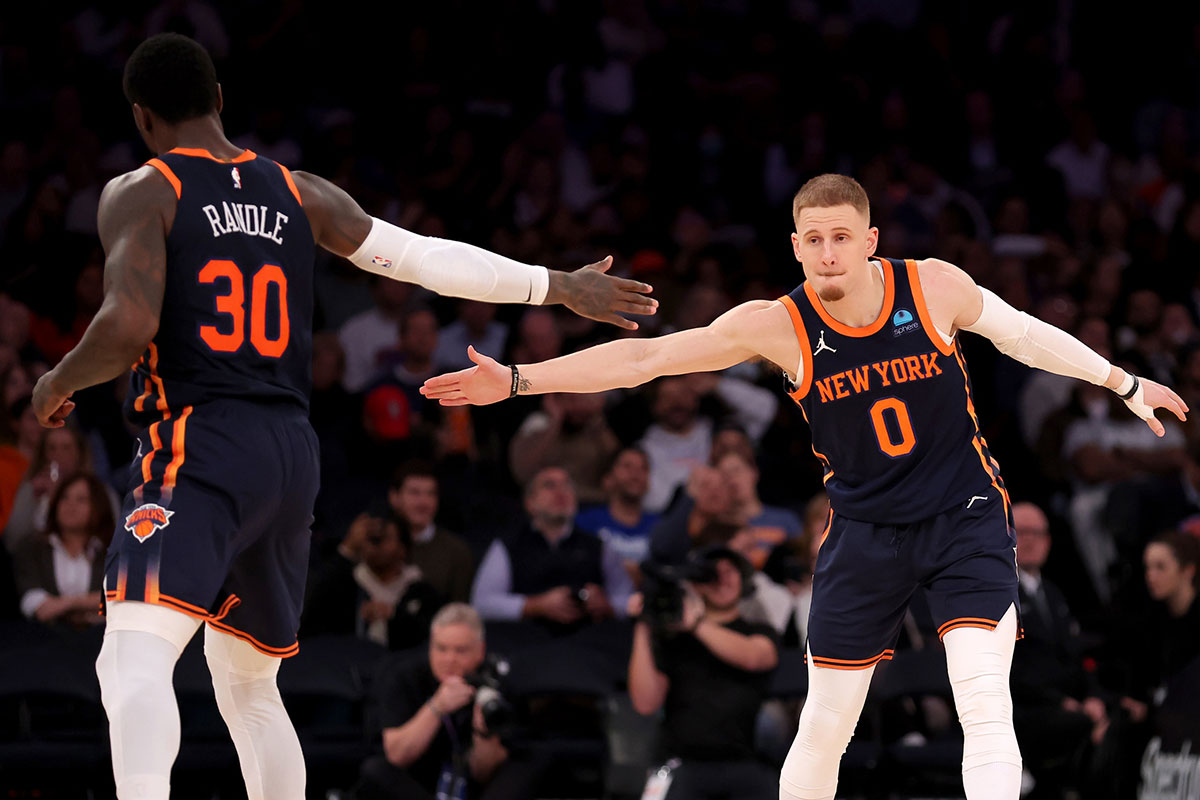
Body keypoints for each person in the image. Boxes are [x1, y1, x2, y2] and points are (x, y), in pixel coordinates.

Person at [27, 33, 656, 800]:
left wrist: (54, 382)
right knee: (249, 686)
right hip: (291, 453)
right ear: (220, 99)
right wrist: (553, 284)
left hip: (201, 438)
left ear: (142, 118)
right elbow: (427, 258)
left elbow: (126, 326)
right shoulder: (300, 191)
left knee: (130, 656)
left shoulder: (144, 188)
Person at [421, 173, 1189, 800]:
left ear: (870, 241)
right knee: (825, 723)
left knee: (984, 700)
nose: (827, 253)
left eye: (841, 238)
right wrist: (519, 379)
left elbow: (1025, 334)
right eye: (813, 240)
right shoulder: (777, 324)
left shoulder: (933, 288)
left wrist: (1123, 383)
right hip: (863, 531)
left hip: (965, 516)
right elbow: (643, 362)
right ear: (796, 245)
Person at [627, 545, 780, 799]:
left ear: (744, 580)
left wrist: (696, 623)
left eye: (730, 572)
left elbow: (754, 658)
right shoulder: (672, 638)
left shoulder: (759, 631)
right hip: (682, 763)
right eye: (711, 573)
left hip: (746, 764)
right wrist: (644, 625)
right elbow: (645, 703)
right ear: (696, 584)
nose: (721, 580)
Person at [357, 603, 541, 800]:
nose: (449, 659)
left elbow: (486, 774)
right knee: (375, 770)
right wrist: (436, 707)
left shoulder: (496, 681)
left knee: (527, 765)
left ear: (480, 650)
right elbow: (397, 756)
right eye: (441, 648)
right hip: (419, 781)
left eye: (460, 651)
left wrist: (483, 733)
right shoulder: (404, 676)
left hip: (475, 787)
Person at [471, 466, 632, 632]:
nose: (560, 491)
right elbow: (482, 603)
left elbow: (628, 600)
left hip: (589, 641)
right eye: (549, 485)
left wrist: (608, 605)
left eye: (567, 485)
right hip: (525, 641)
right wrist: (536, 605)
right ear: (530, 503)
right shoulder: (507, 545)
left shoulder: (599, 546)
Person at [301, 514, 441, 650]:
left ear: (403, 549)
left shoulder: (421, 589)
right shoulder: (347, 583)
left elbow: (429, 636)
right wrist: (348, 549)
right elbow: (310, 609)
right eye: (371, 537)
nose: (375, 544)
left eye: (384, 538)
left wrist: (393, 614)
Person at [12, 471, 113, 627]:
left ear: (97, 506)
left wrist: (68, 604)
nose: (70, 505)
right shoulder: (31, 547)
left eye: (81, 499)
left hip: (99, 640)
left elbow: (118, 599)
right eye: (64, 497)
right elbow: (37, 605)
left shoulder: (113, 551)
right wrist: (89, 605)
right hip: (44, 640)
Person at [387, 461, 475, 604]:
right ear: (394, 497)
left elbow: (460, 611)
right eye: (414, 493)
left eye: (431, 494)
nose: (424, 502)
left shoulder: (456, 551)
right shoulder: (375, 543)